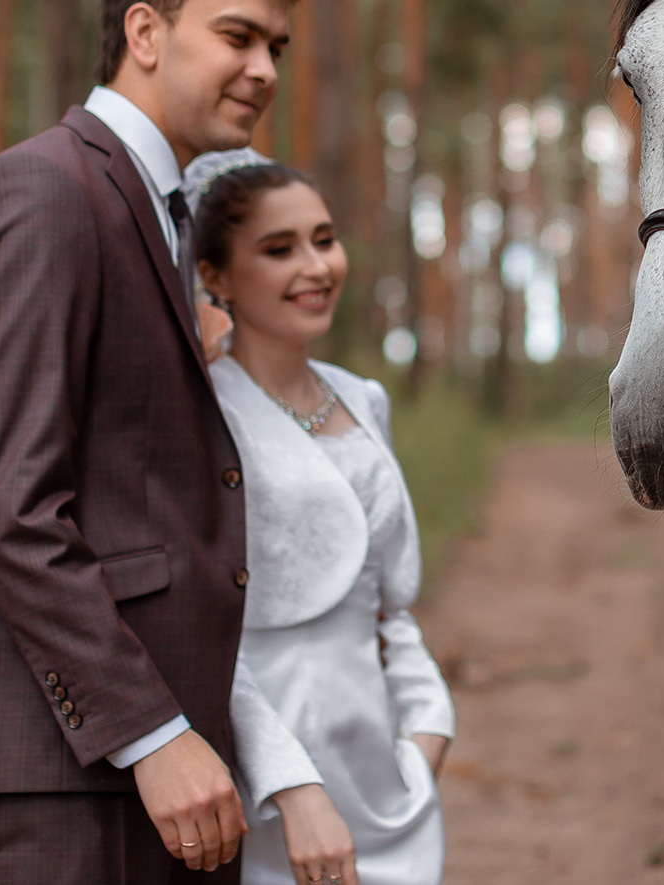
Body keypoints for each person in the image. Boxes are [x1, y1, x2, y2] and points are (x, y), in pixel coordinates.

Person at [0, 0, 306, 882]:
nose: (266, 67)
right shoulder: (42, 191)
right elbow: (10, 506)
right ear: (146, 34)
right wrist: (152, 732)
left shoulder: (165, 209)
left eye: (276, 45)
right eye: (238, 35)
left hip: (166, 752)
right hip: (67, 762)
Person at [186, 154, 453, 885]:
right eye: (279, 249)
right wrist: (287, 785)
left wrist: (427, 729)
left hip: (384, 774)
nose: (315, 265)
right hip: (268, 776)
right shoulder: (201, 415)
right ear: (214, 273)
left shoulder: (363, 398)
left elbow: (388, 604)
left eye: (323, 238)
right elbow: (206, 630)